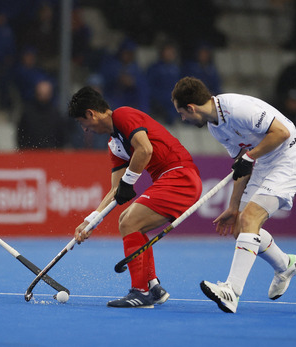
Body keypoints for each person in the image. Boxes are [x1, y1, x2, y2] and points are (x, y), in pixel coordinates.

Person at [171, 76, 296, 313]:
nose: (182, 118)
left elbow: (281, 133)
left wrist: (249, 157)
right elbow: (241, 165)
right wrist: (233, 206)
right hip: (265, 162)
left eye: (182, 113)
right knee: (240, 226)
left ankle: (232, 291)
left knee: (251, 219)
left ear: (191, 107)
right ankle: (285, 265)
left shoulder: (237, 108)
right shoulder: (215, 129)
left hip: (290, 158)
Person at [68, 86, 202, 308]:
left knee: (129, 221)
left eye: (83, 123)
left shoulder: (123, 115)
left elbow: (145, 149)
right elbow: (115, 191)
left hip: (180, 176)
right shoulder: (115, 146)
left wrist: (128, 182)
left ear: (91, 113)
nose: (85, 129)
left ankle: (140, 292)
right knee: (129, 222)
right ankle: (153, 287)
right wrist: (91, 220)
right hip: (170, 180)